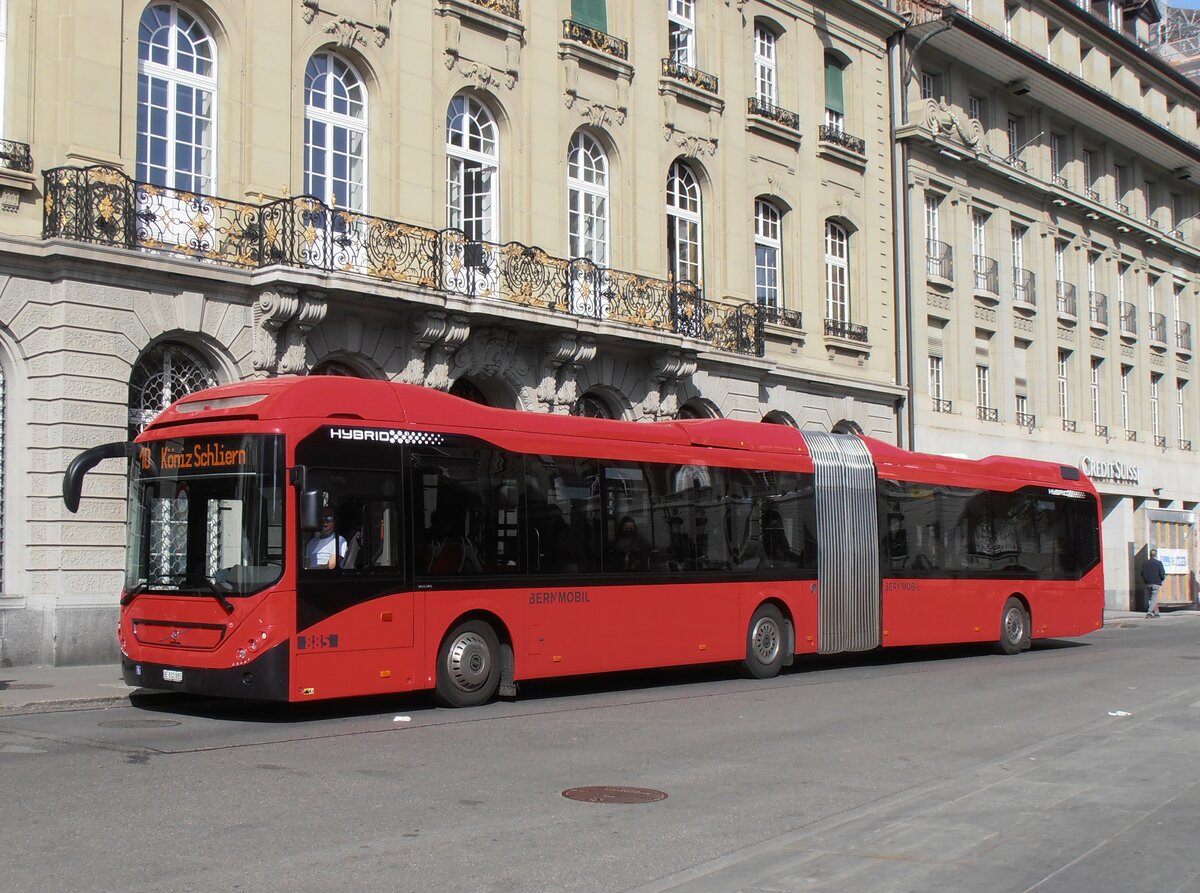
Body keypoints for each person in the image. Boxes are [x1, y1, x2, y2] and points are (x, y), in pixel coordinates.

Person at [419, 508, 482, 574]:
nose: (449, 525)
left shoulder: (439, 538)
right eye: (447, 522)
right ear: (439, 522)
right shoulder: (435, 542)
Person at [1141, 548, 1166, 618]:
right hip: (1156, 583)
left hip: (1148, 583)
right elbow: (1162, 574)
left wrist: (1145, 580)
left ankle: (1156, 613)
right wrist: (1161, 579)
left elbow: (1142, 573)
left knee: (1152, 598)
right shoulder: (1158, 563)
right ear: (1156, 555)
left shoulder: (1145, 563)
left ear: (1150, 555)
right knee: (1153, 598)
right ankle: (1149, 613)